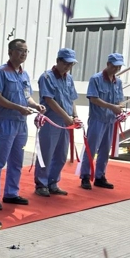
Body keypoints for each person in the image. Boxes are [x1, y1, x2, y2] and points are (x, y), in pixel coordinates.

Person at [0, 39, 46, 209]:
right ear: (10, 51)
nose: (23, 54)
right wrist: (18, 108)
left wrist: (35, 105)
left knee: (17, 160)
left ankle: (11, 193)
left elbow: (26, 96)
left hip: (21, 123)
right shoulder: (1, 72)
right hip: (6, 121)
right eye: (20, 50)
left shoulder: (25, 74)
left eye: (26, 51)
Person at [34, 48, 81, 197]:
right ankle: (41, 184)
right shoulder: (47, 77)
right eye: (66, 63)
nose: (68, 67)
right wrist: (66, 116)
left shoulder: (69, 78)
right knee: (47, 152)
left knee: (61, 154)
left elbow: (72, 99)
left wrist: (75, 116)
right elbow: (49, 100)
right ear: (58, 61)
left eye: (71, 64)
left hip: (66, 120)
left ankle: (52, 182)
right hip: (51, 120)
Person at [80, 53, 126, 190]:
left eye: (119, 67)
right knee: (91, 148)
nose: (116, 69)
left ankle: (100, 176)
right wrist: (112, 107)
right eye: (114, 66)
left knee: (105, 149)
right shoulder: (96, 79)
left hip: (110, 120)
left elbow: (119, 100)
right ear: (108, 64)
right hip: (97, 119)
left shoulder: (118, 82)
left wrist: (120, 109)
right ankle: (85, 176)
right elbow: (93, 98)